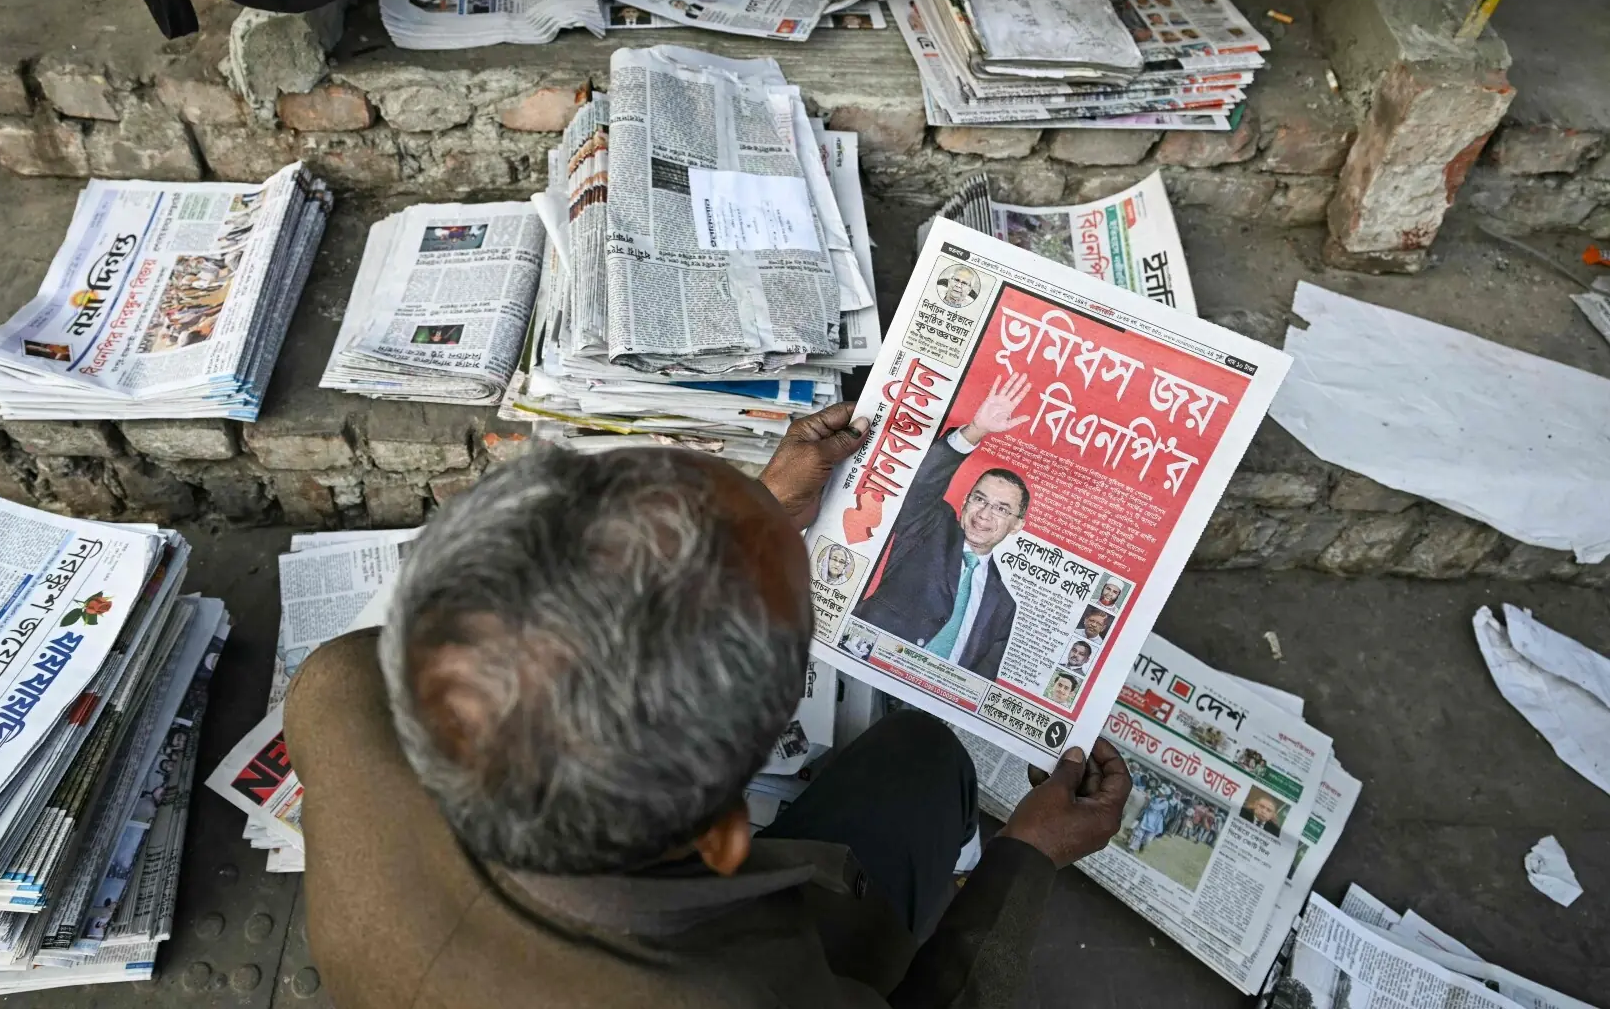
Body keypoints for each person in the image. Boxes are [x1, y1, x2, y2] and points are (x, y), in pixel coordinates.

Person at [285, 402, 1131, 1009]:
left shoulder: (341, 691)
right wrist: (1026, 858)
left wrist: (761, 512)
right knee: (926, 760)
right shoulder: (745, 991)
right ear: (731, 836)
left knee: (915, 756)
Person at [851, 372, 1033, 679]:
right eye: (980, 499)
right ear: (964, 504)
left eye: (1002, 509)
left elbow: (983, 680)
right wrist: (975, 431)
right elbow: (923, 484)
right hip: (859, 666)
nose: (985, 514)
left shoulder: (1004, 605)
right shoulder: (931, 526)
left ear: (1017, 525)